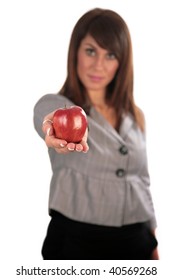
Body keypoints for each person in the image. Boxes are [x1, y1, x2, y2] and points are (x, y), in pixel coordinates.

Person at [33, 8, 159, 260]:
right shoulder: (56, 104)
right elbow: (45, 114)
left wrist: (153, 242)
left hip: (137, 241)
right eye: (91, 50)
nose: (98, 65)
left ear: (122, 62)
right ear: (75, 52)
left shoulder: (135, 116)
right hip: (76, 242)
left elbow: (142, 181)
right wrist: (55, 128)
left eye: (110, 55)